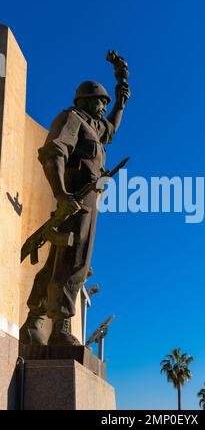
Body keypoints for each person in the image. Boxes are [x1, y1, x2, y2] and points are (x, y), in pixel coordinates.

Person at [19, 79, 130, 345]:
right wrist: (60, 193)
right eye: (100, 101)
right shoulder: (73, 118)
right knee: (73, 261)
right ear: (84, 100)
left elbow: (111, 129)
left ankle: (34, 320)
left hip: (89, 203)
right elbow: (54, 153)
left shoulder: (95, 127)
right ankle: (60, 326)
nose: (104, 106)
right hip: (74, 201)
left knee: (62, 260)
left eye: (106, 102)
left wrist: (121, 98)